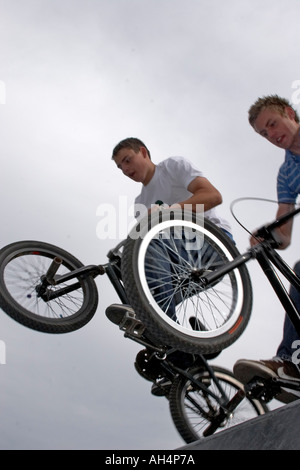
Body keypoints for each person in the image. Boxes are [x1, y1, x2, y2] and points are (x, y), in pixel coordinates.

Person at [107, 137, 232, 395]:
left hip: (211, 245)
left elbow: (212, 196)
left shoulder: (172, 167)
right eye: (120, 168)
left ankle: (180, 346)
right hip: (177, 262)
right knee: (137, 287)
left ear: (143, 152)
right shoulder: (141, 203)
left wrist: (170, 212)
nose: (126, 170)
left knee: (147, 244)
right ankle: (186, 352)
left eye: (128, 161)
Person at [233, 95, 300, 403]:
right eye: (264, 133)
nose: (272, 135)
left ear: (289, 113)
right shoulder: (286, 174)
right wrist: (268, 236)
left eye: (272, 124)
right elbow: (284, 234)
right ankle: (291, 363)